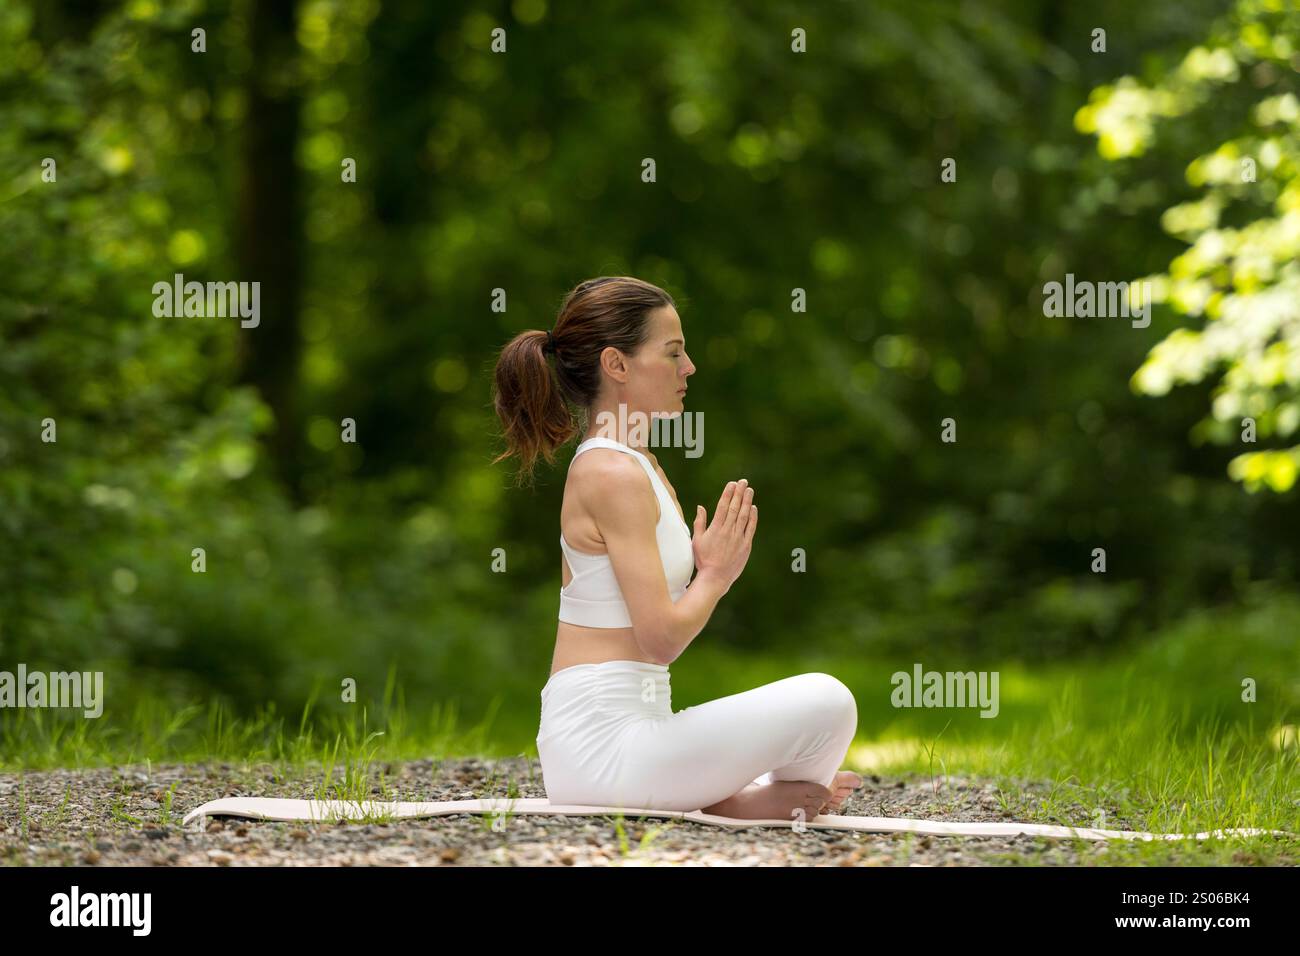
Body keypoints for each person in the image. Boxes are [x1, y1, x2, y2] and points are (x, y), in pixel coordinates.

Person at [491, 276, 862, 818]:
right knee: (827, 699)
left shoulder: (637, 463)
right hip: (602, 751)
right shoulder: (609, 472)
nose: (689, 368)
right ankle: (737, 803)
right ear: (616, 365)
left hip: (639, 735)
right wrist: (714, 576)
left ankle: (743, 800)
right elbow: (661, 638)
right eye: (673, 353)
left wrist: (706, 571)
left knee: (829, 707)